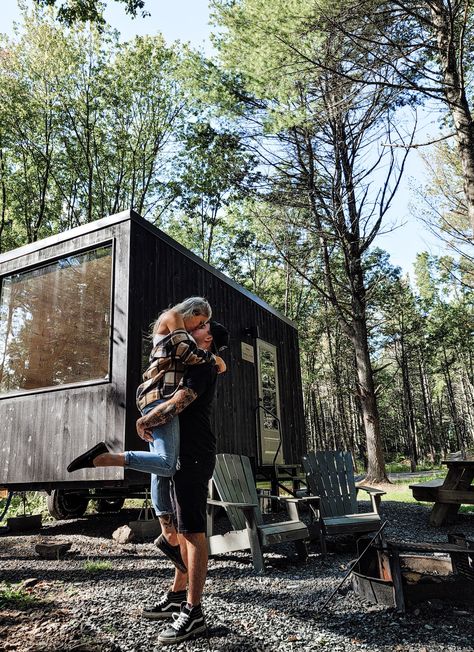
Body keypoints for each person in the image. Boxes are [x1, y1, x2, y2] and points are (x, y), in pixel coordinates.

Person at [67, 297, 225, 571]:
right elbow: (186, 355)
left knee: (160, 470)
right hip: (158, 397)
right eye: (199, 322)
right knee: (167, 463)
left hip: (154, 397)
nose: (198, 327)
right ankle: (103, 458)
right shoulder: (174, 318)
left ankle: (167, 535)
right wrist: (216, 359)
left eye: (202, 326)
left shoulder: (182, 332)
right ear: (194, 311)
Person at [140, 319, 229, 645]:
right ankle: (178, 595)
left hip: (194, 456)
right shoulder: (192, 364)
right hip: (182, 456)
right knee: (178, 527)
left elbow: (179, 402)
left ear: (208, 341)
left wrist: (146, 419)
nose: (192, 333)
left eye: (200, 330)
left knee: (192, 530)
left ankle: (194, 612)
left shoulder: (203, 369)